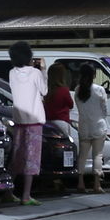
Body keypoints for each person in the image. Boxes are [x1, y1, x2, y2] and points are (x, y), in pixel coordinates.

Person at [7, 41, 48, 205]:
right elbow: (44, 91)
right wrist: (43, 70)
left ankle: (8, 192)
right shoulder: (35, 73)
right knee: (31, 159)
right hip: (34, 121)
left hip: (18, 120)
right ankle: (26, 195)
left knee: (16, 157)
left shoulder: (11, 73)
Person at [74, 76, 110, 193]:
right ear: (93, 75)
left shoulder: (78, 90)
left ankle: (80, 183)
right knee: (97, 155)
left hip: (84, 126)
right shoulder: (99, 89)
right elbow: (105, 109)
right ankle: (97, 185)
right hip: (98, 126)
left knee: (82, 155)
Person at [43, 66, 75, 197]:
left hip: (49, 123)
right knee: (65, 152)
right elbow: (71, 104)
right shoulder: (63, 90)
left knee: (53, 152)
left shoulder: (48, 91)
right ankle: (62, 179)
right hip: (62, 122)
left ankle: (52, 179)